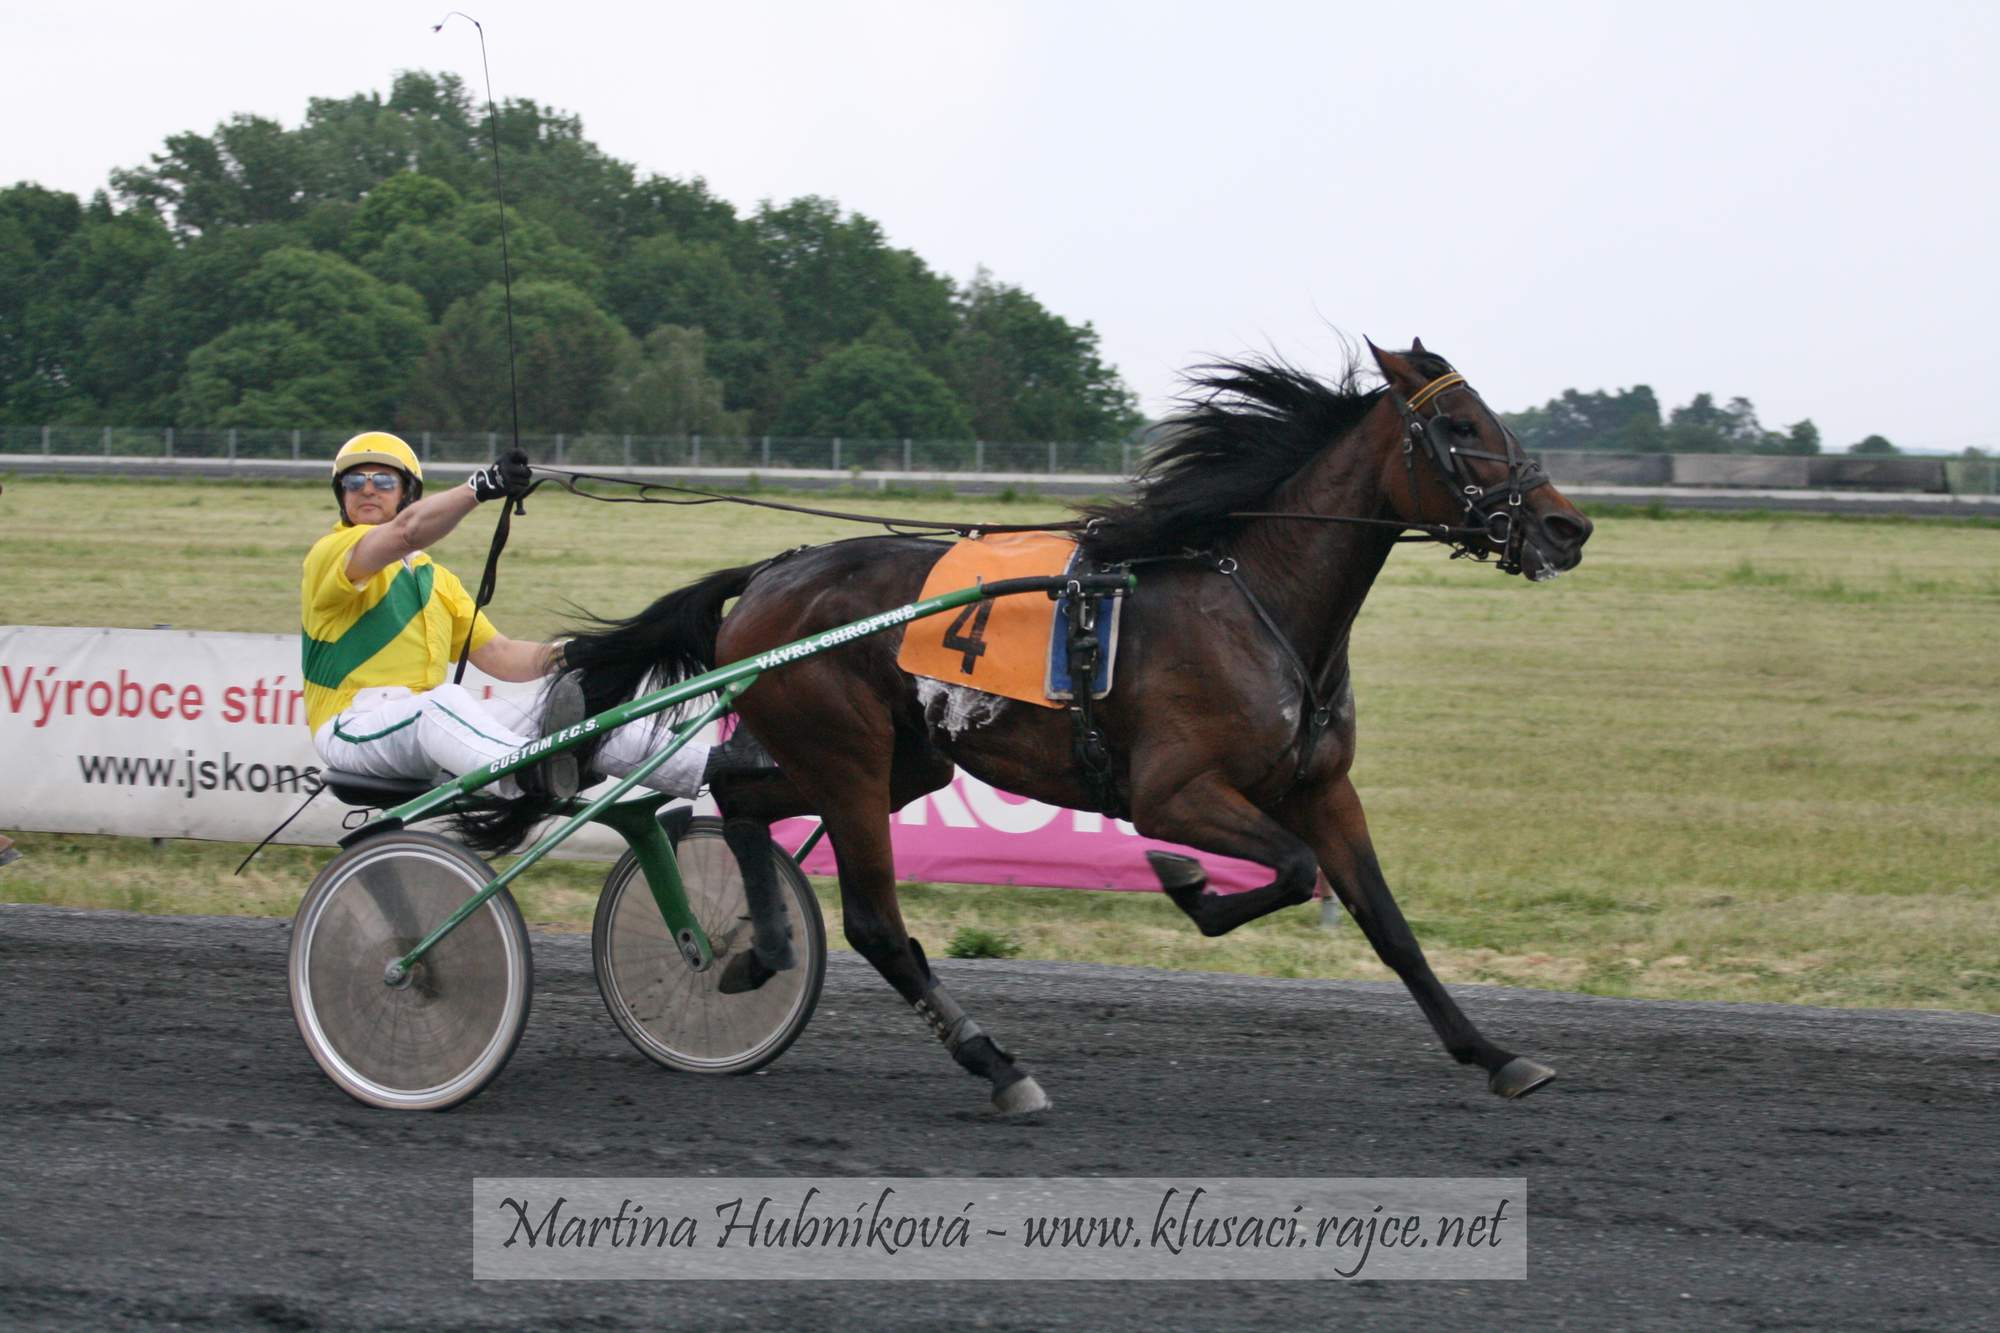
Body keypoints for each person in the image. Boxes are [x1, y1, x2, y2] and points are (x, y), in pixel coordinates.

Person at [302, 432, 757, 801]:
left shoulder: (435, 581)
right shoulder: (334, 554)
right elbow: (405, 533)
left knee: (576, 706)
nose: (366, 490)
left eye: (382, 481)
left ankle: (709, 768)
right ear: (340, 495)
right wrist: (480, 488)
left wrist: (578, 653)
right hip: (353, 729)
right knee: (444, 702)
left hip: (421, 733)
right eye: (353, 482)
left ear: (407, 492)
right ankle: (530, 772)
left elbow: (501, 657)